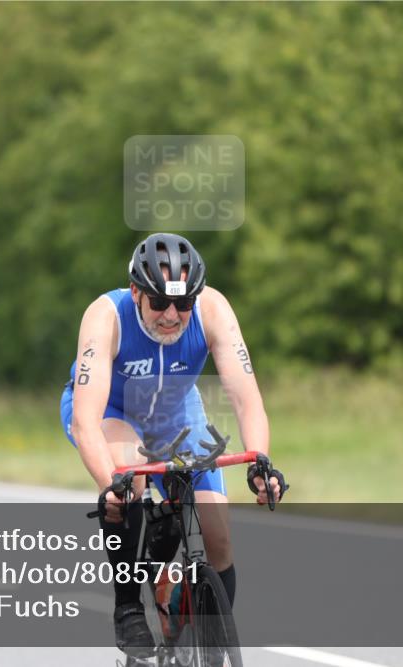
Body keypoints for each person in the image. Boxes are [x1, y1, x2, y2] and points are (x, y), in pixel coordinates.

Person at [59, 233, 286, 657]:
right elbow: (86, 422)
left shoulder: (213, 309)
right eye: (159, 302)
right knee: (132, 482)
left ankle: (206, 642)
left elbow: (246, 398)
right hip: (112, 411)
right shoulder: (106, 317)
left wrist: (260, 463)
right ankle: (128, 607)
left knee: (217, 538)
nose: (171, 315)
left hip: (177, 414)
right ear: (135, 293)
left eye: (182, 304)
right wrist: (111, 485)